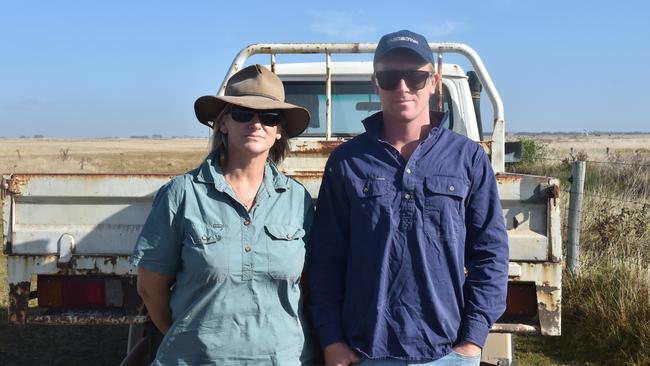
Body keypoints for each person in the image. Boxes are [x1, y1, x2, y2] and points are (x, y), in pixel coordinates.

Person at [308, 30, 509, 366]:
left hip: (447, 352)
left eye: (415, 77)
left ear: (434, 82)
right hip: (365, 351)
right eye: (390, 77)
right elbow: (326, 260)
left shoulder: (468, 158)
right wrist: (332, 340)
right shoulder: (347, 161)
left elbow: (490, 254)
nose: (402, 87)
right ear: (376, 83)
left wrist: (472, 340)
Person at [129, 64, 315, 365]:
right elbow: (150, 288)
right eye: (243, 113)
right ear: (223, 123)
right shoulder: (182, 194)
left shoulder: (296, 199)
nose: (256, 124)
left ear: (279, 131)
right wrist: (191, 339)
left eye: (268, 117)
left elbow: (308, 285)